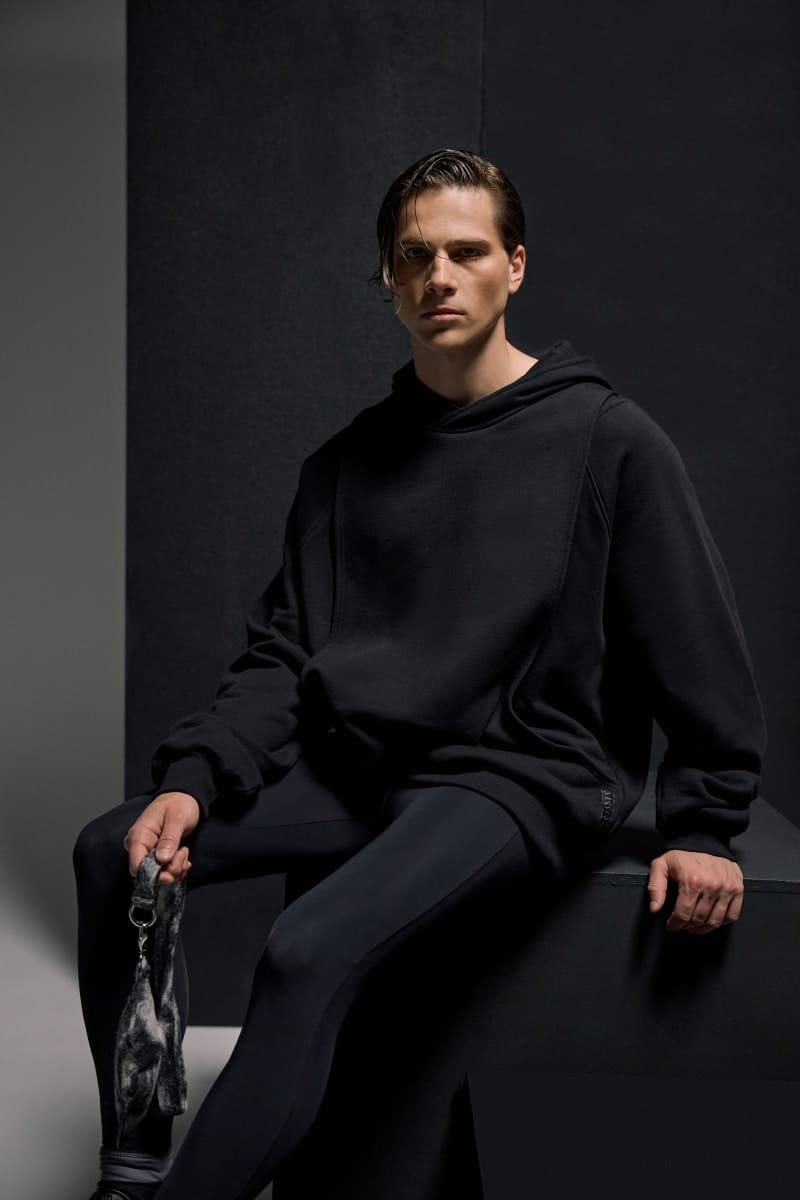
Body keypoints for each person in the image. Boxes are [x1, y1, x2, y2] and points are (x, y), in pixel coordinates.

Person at [73, 148, 767, 1200]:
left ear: (514, 266)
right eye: (413, 256)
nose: (438, 275)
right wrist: (194, 779)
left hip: (518, 773)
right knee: (110, 851)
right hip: (363, 764)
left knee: (306, 948)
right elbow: (282, 654)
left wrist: (704, 823)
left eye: (466, 251)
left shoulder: (607, 439)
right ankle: (134, 1153)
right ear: (388, 281)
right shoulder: (345, 465)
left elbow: (696, 646)